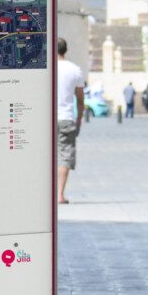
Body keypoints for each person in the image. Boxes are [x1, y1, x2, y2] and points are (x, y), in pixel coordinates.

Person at [55, 38, 85, 205]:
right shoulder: (75, 70)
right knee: (64, 155)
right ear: (65, 50)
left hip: (46, 118)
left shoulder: (44, 68)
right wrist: (79, 118)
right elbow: (80, 99)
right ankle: (59, 194)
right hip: (66, 117)